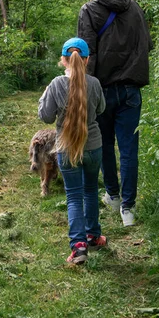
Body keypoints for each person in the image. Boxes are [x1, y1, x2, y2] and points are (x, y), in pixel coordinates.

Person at [76, 0, 153, 227]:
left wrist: (84, 89)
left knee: (104, 144)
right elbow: (148, 44)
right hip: (131, 90)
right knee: (130, 149)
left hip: (103, 89)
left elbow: (85, 55)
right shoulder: (135, 9)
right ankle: (128, 210)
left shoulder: (89, 10)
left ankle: (113, 195)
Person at [38, 37, 107, 265]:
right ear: (86, 60)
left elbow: (46, 116)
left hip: (66, 148)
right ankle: (93, 235)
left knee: (74, 197)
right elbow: (101, 109)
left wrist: (45, 95)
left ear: (63, 60)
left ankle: (78, 247)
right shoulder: (95, 84)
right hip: (93, 145)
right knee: (90, 191)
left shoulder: (56, 84)